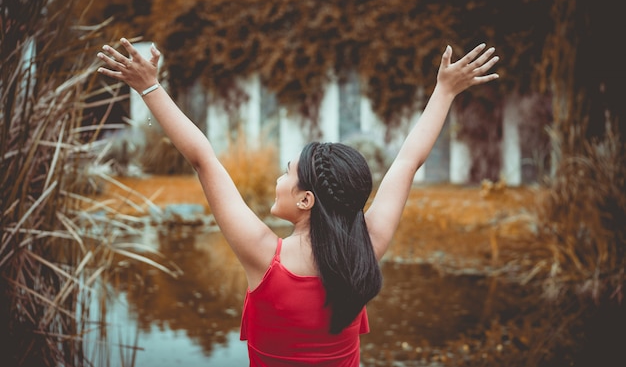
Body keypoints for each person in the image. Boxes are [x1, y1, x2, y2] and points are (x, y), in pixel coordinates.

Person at [97, 39, 499, 366]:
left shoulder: (263, 258)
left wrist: (149, 86)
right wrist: (444, 91)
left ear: (306, 199)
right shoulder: (366, 248)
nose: (278, 179)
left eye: (287, 174)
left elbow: (203, 159)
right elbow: (408, 162)